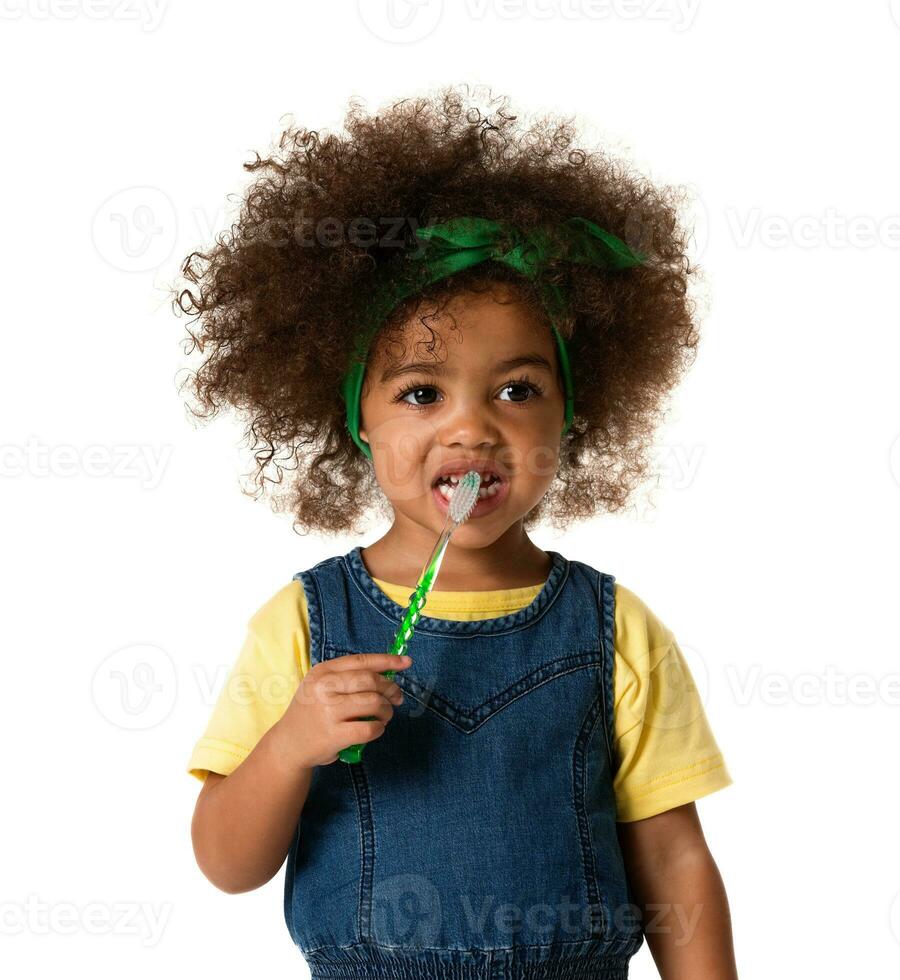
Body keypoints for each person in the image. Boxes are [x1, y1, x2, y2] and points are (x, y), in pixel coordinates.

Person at [177, 86, 736, 980]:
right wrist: (289, 744)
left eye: (517, 390)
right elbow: (227, 863)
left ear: (574, 412)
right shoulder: (304, 623)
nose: (472, 428)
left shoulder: (613, 628)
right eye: (422, 392)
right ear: (354, 415)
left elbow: (674, 861)